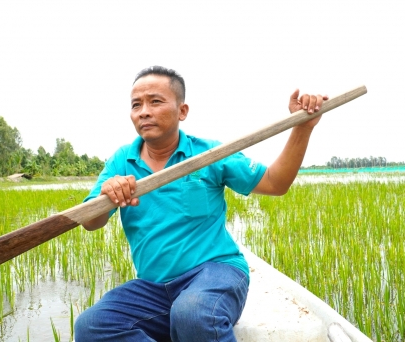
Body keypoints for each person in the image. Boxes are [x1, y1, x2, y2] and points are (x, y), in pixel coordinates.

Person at [74, 66, 327, 342]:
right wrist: (106, 196)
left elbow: (275, 183)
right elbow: (90, 222)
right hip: (154, 288)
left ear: (182, 111)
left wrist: (302, 128)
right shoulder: (122, 161)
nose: (144, 111)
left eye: (155, 101)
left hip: (215, 273)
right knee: (92, 326)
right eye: (137, 105)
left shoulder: (209, 153)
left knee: (192, 313)